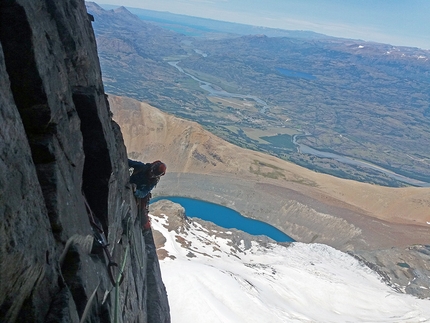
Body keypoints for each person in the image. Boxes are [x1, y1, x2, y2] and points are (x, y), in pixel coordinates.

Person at [128, 159, 166, 230]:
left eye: (154, 174)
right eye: (152, 172)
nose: (151, 175)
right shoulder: (141, 167)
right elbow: (128, 162)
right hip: (134, 188)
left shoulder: (152, 181)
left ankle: (145, 229)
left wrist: (136, 191)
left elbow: (144, 193)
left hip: (139, 194)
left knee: (142, 215)